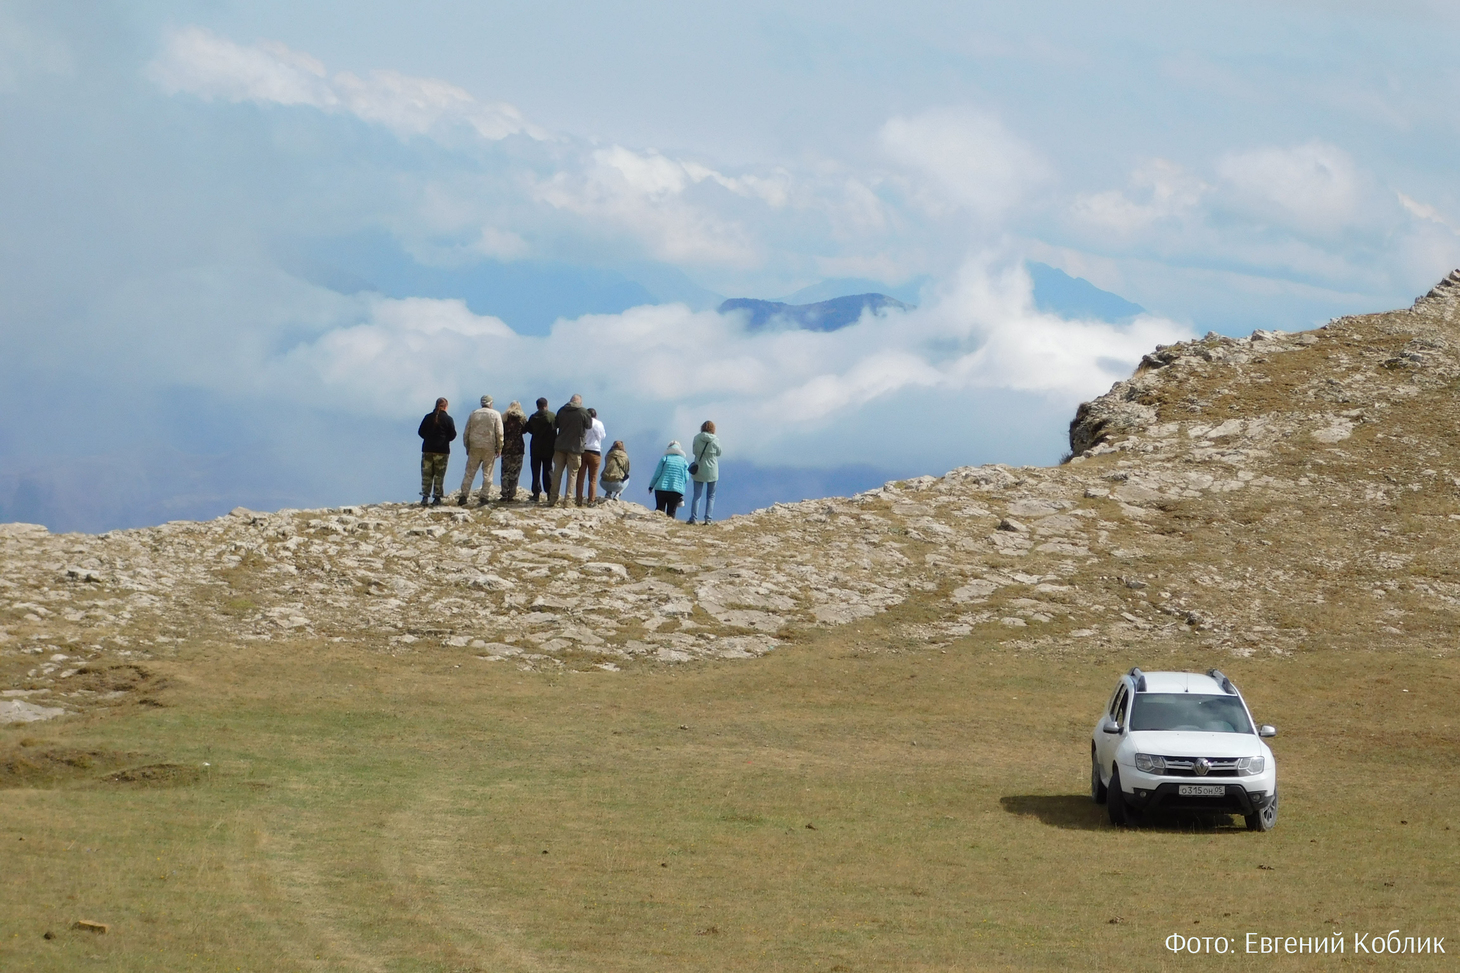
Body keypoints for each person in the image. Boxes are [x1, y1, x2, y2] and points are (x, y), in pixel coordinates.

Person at [458, 394, 503, 506]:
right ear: (491, 403)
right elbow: (500, 432)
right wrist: (500, 447)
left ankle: (463, 496)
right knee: (488, 473)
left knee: (469, 472)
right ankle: (484, 497)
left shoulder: (473, 414)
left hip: (474, 446)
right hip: (489, 446)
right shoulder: (496, 414)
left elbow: (466, 432)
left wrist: (467, 446)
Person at [549, 394, 592, 506]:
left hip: (560, 446)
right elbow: (588, 426)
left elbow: (556, 424)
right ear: (580, 402)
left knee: (557, 472)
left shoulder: (562, 410)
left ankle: (553, 499)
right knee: (572, 474)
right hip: (575, 447)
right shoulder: (583, 412)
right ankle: (568, 500)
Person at [417, 397, 456, 506]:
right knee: (439, 475)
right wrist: (444, 440)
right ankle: (437, 498)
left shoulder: (428, 417)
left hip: (427, 449)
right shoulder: (448, 419)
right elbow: (453, 435)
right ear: (446, 407)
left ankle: (425, 497)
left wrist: (429, 438)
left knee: (426, 475)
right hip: (442, 451)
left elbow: (420, 432)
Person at [686, 420, 722, 525]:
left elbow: (693, 451)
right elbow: (719, 453)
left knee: (697, 495)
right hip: (712, 470)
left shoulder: (696, 438)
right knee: (711, 495)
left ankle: (693, 518)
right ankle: (708, 519)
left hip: (699, 468)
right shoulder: (716, 439)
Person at [524, 397, 556, 502]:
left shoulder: (533, 417)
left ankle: (536, 493)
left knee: (535, 471)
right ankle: (549, 493)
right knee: (548, 470)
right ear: (546, 405)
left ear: (537, 406)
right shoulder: (552, 416)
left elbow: (527, 429)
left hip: (536, 448)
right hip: (549, 448)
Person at [648, 440, 690, 518]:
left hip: (661, 488)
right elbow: (686, 478)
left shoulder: (665, 458)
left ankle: (656, 527)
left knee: (659, 511)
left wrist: (651, 486)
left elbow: (657, 474)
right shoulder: (684, 462)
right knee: (671, 512)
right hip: (676, 490)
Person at [576, 407, 607, 504]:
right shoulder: (599, 423)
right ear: (596, 415)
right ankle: (591, 500)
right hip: (595, 451)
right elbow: (603, 436)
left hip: (583, 450)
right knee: (593, 478)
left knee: (580, 477)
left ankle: (579, 499)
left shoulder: (582, 422)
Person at [499, 401, 527, 501]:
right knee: (515, 472)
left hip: (506, 448)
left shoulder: (504, 418)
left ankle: (504, 493)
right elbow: (525, 430)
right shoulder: (522, 418)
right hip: (518, 448)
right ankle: (512, 493)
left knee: (505, 471)